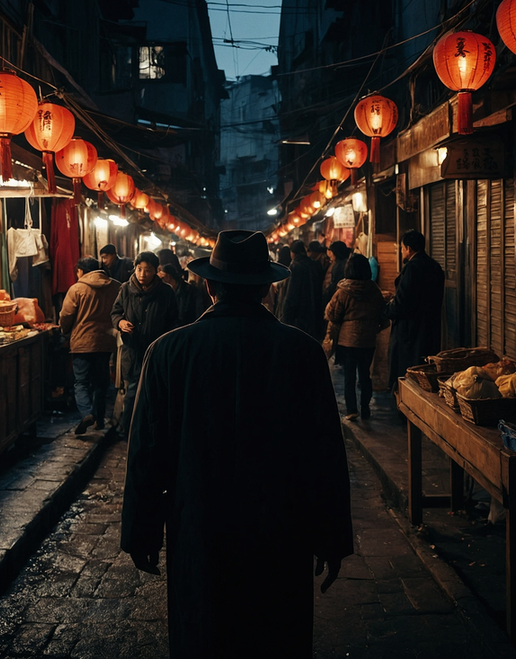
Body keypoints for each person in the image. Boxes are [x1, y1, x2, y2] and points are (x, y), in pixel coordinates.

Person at [121, 230, 353, 659]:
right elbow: (325, 453)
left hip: (199, 528)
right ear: (267, 288)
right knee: (276, 636)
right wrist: (333, 535)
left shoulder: (168, 352)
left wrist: (141, 530)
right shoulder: (302, 353)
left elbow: (147, 452)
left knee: (203, 635)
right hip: (281, 532)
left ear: (209, 286)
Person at [110, 251, 179, 439]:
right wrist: (121, 323)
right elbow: (115, 313)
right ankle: (129, 430)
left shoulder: (166, 292)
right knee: (132, 392)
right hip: (132, 350)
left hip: (156, 352)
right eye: (139, 269)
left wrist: (166, 341)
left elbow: (174, 321)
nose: (142, 274)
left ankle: (152, 431)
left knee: (154, 393)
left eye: (147, 270)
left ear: (155, 271)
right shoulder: (125, 289)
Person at [59, 256, 121, 434]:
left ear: (81, 271)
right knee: (101, 382)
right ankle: (99, 420)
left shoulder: (77, 289)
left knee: (81, 383)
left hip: (82, 343)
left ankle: (87, 413)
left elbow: (66, 316)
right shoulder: (115, 286)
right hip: (105, 342)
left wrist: (64, 330)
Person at [325, 253, 387, 420]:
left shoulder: (343, 291)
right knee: (365, 375)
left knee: (349, 376)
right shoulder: (374, 290)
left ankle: (352, 410)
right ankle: (366, 408)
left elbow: (332, 314)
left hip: (347, 341)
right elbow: (383, 315)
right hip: (368, 341)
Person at [385, 229, 445, 392]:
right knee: (425, 375)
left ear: (409, 249)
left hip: (410, 332)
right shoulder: (434, 266)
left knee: (407, 375)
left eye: (403, 248)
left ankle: (405, 412)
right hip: (430, 328)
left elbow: (402, 303)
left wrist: (387, 308)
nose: (402, 251)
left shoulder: (412, 268)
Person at [281, 239, 323, 339]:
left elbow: (292, 294)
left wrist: (286, 316)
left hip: (298, 315)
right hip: (314, 313)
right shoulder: (315, 264)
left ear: (293, 253)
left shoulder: (295, 266)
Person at [323, 240, 352, 307]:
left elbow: (336, 283)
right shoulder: (341, 263)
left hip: (339, 298)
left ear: (336, 252)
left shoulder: (340, 265)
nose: (329, 254)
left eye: (331, 251)